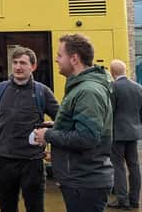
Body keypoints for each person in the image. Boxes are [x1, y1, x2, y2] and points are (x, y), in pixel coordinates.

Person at [33, 33, 113, 212]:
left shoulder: (88, 91)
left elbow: (87, 138)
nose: (56, 59)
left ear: (74, 58)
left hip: (85, 183)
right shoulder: (83, 87)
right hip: (81, 181)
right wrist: (58, 126)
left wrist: (48, 135)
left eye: (60, 55)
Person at [0, 46, 59, 212]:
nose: (17, 67)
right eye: (15, 62)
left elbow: (61, 120)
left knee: (35, 208)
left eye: (22, 63)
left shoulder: (42, 92)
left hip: (32, 163)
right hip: (3, 160)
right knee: (7, 207)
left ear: (33, 66)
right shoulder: (0, 89)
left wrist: (52, 141)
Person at [108, 59, 142, 210]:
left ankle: (122, 200)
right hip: (133, 132)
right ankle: (135, 199)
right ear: (125, 71)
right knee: (134, 166)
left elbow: (110, 111)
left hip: (117, 133)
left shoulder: (113, 87)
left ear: (112, 72)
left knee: (118, 166)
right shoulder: (138, 87)